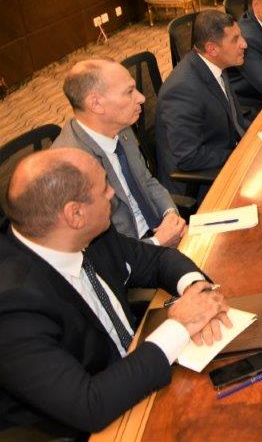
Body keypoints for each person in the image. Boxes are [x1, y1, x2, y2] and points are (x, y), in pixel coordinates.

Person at [0, 148, 230, 434]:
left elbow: (157, 260)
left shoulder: (84, 233)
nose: (113, 194)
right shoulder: (12, 308)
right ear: (75, 214)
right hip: (98, 423)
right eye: (104, 188)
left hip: (141, 369)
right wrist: (180, 326)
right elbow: (88, 406)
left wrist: (197, 290)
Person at [54, 58, 186, 247]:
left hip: (159, 231)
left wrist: (170, 213)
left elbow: (147, 181)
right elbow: (99, 251)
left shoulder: (120, 127)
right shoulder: (70, 169)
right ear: (96, 104)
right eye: (129, 92)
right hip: (132, 255)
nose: (142, 98)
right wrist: (157, 243)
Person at [156, 10, 250, 196]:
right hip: (199, 185)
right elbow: (189, 157)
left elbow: (233, 119)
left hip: (222, 155)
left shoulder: (216, 65)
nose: (244, 44)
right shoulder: (182, 90)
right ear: (212, 49)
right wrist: (242, 154)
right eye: (235, 39)